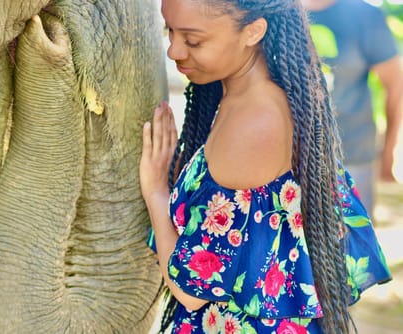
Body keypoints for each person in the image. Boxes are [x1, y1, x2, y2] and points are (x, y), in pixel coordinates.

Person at [139, 0, 392, 333]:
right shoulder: (243, 97)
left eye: (193, 40)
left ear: (253, 31)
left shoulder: (255, 122)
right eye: (169, 31)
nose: (173, 50)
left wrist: (156, 190)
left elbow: (190, 292)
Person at [301, 0, 403, 218]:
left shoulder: (365, 15)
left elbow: (395, 86)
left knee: (352, 247)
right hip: (291, 158)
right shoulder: (278, 10)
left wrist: (388, 152)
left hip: (352, 157)